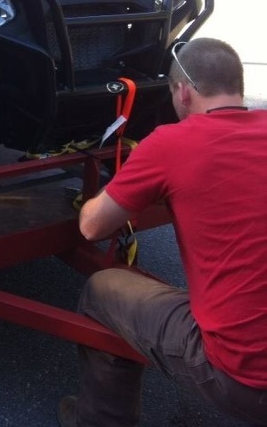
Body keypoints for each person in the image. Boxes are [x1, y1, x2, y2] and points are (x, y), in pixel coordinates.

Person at [58, 37, 267, 427]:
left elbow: (91, 227)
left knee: (103, 290)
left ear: (183, 91)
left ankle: (101, 420)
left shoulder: (171, 143)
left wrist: (105, 193)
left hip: (246, 379)